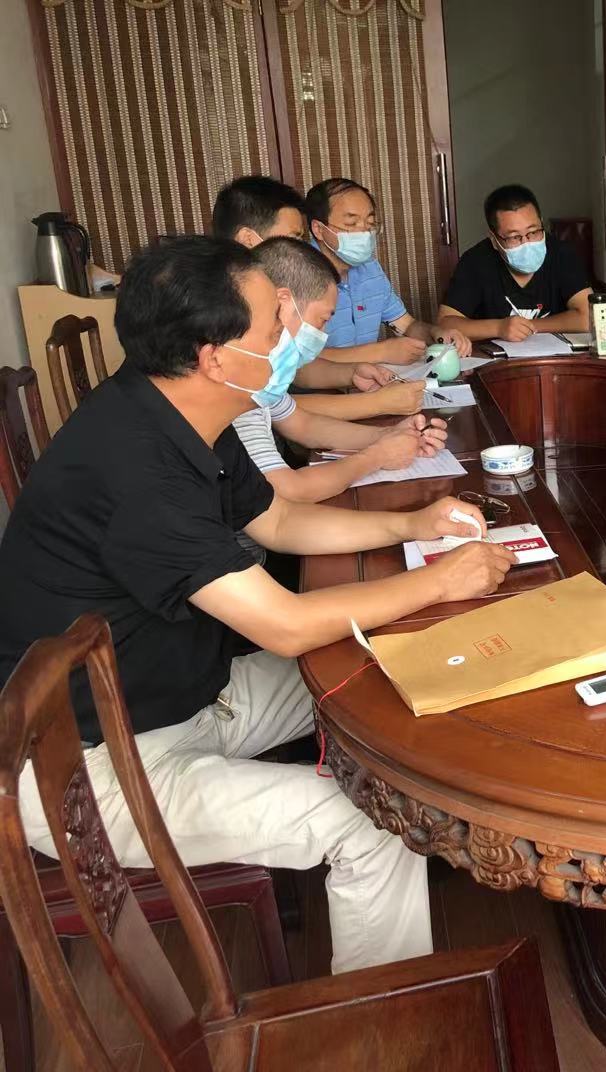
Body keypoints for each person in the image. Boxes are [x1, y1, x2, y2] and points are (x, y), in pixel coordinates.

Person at [0, 235, 516, 974]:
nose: (288, 342)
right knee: (375, 824)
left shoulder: (181, 413)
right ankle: (381, 1016)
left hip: (180, 697)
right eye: (274, 328)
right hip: (89, 766)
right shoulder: (136, 469)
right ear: (215, 355)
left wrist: (412, 524)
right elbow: (284, 625)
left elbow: (276, 521)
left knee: (384, 672)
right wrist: (440, 581)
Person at [231, 238, 450, 562]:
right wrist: (377, 456)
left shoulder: (264, 377)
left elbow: (303, 424)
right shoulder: (237, 385)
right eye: (322, 320)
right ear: (284, 303)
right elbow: (291, 491)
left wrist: (390, 436)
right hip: (237, 556)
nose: (322, 334)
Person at [213, 175, 425, 420]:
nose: (300, 250)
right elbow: (273, 411)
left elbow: (296, 375)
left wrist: (353, 373)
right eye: (293, 238)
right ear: (248, 240)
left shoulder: (266, 295)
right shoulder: (223, 309)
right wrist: (376, 402)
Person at [307, 177, 471, 365]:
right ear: (318, 229)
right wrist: (381, 352)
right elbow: (302, 361)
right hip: (326, 384)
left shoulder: (370, 268)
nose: (364, 233)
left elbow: (406, 326)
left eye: (370, 224)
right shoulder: (298, 274)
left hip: (366, 379)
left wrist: (437, 333)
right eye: (351, 224)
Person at [437, 184, 592, 343]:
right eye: (514, 237)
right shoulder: (475, 262)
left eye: (533, 232)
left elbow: (589, 317)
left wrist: (529, 327)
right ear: (494, 240)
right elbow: (445, 324)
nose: (526, 243)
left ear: (541, 223)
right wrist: (499, 328)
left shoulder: (561, 254)